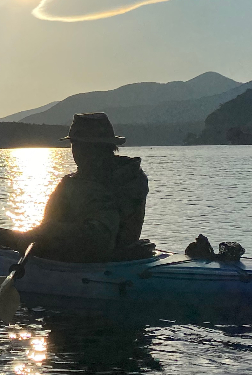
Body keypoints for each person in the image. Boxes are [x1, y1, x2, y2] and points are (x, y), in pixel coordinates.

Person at [10, 113, 153, 263]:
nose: (76, 152)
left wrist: (49, 231)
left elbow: (100, 240)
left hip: (93, 265)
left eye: (80, 146)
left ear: (101, 147)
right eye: (75, 145)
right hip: (111, 260)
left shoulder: (105, 184)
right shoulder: (130, 175)